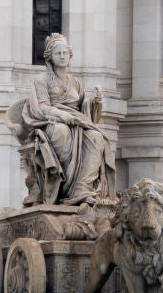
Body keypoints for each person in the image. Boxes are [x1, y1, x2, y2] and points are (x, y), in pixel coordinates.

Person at [20, 34, 116, 205]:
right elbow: (42, 107)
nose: (62, 56)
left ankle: (81, 189)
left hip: (77, 122)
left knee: (97, 137)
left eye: (65, 53)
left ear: (70, 55)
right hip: (52, 122)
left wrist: (95, 102)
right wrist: (63, 116)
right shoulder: (41, 80)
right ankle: (63, 188)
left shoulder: (75, 82)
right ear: (50, 57)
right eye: (58, 53)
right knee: (62, 132)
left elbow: (83, 107)